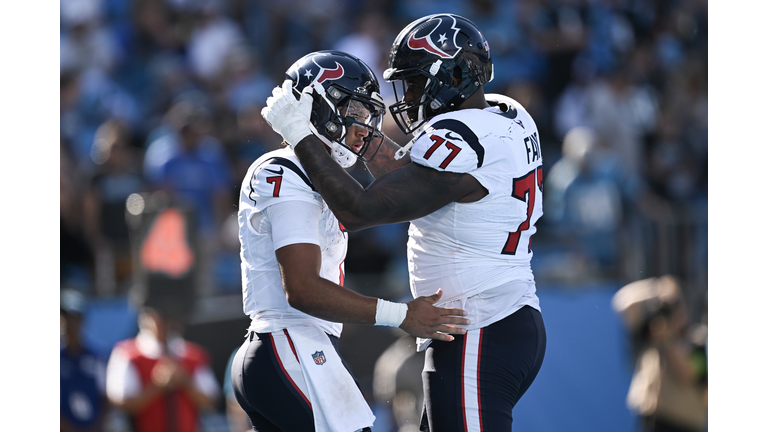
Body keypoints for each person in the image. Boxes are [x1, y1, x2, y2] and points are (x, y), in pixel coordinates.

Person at [261, 14, 548, 431]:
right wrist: (357, 133)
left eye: (414, 83)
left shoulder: (463, 136)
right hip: (500, 318)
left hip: (480, 323)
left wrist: (301, 135)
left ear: (453, 75)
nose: (409, 96)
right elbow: (415, 183)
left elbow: (359, 210)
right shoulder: (507, 114)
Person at [231, 50, 470, 432]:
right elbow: (303, 290)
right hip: (287, 343)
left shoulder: (315, 174)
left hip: (299, 345)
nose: (365, 128)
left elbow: (400, 185)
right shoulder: (284, 169)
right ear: (317, 105)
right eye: (355, 113)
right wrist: (402, 315)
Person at [612, 276, 708, 432]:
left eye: (677, 305)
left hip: (682, 425)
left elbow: (687, 374)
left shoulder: (698, 340)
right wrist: (657, 289)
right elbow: (622, 302)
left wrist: (668, 339)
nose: (674, 312)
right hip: (650, 420)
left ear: (687, 307)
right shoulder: (653, 334)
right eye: (670, 307)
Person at [105, 306, 220, 432]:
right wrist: (156, 386)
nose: (166, 322)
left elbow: (210, 401)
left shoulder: (193, 355)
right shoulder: (126, 354)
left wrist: (185, 381)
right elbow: (120, 402)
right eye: (160, 316)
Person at [61, 289, 108, 432]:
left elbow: (105, 400)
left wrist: (95, 428)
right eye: (65, 316)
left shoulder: (96, 357)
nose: (69, 322)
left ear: (82, 320)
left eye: (74, 317)